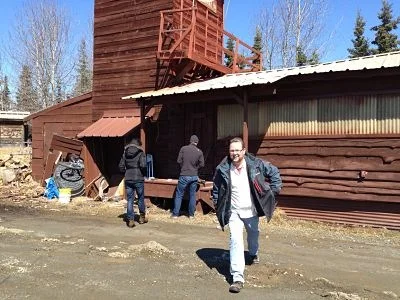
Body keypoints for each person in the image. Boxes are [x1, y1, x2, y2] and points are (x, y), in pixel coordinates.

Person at [212, 137, 282, 293]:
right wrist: (217, 204)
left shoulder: (256, 164)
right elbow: (216, 189)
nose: (235, 153)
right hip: (234, 211)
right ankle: (237, 277)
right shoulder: (223, 168)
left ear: (243, 151)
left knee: (253, 235)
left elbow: (274, 172)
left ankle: (253, 253)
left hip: (251, 211)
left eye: (237, 150)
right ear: (229, 152)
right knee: (235, 240)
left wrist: (272, 191)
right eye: (232, 150)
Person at [171, 134, 205, 219]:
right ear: (197, 142)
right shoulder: (199, 151)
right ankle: (191, 215)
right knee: (192, 195)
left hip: (184, 175)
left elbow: (179, 161)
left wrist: (183, 167)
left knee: (179, 195)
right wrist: (195, 168)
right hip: (194, 176)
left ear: (190, 141)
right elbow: (202, 164)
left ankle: (175, 214)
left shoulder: (183, 149)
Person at [118, 138, 148, 227]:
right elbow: (143, 165)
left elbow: (121, 166)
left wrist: (126, 172)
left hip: (128, 178)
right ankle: (142, 217)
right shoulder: (140, 153)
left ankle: (130, 220)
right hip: (138, 178)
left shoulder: (125, 153)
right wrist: (144, 173)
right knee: (140, 198)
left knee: (130, 199)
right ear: (138, 144)